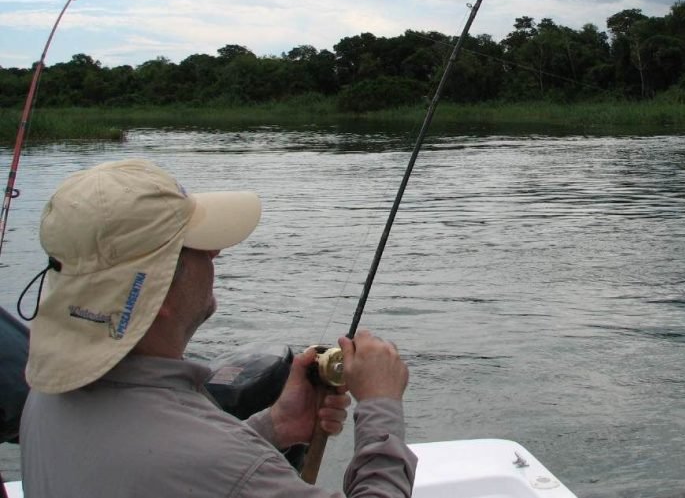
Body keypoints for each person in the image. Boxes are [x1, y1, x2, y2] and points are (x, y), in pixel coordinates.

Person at [18, 159, 417, 497]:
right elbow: (211, 468)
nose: (215, 251)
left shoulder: (47, 398)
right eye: (196, 246)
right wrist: (381, 406)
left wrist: (274, 425)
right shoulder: (219, 463)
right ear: (158, 294)